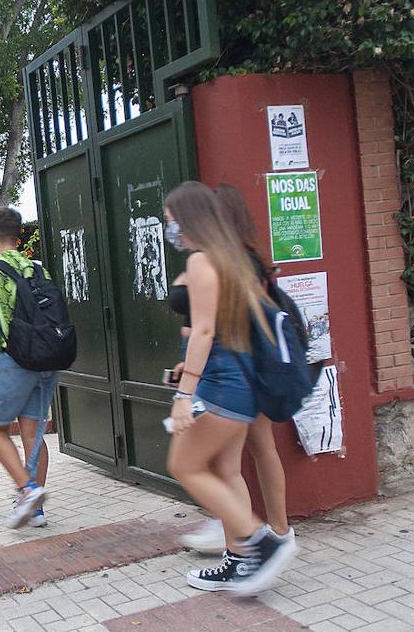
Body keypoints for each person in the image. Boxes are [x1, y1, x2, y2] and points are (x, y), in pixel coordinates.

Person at [163, 181, 296, 594]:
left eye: (171, 221)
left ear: (189, 219)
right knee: (223, 469)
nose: (170, 229)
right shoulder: (231, 259)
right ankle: (238, 558)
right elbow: (223, 330)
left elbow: (203, 330)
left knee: (184, 466)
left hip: (222, 385)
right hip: (235, 379)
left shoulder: (204, 261)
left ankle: (260, 541)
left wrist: (185, 394)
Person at [0, 207, 58, 529]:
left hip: (11, 361)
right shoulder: (37, 268)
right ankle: (35, 510)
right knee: (33, 434)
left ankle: (28, 491)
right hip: (45, 360)